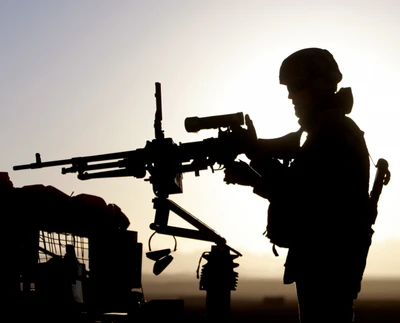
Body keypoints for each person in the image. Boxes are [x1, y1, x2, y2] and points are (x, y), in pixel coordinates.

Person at [224, 48, 371, 323]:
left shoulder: (334, 135)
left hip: (327, 265)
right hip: (324, 264)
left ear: (317, 86)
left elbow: (301, 195)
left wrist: (253, 160)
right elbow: (303, 193)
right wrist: (253, 169)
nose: (290, 96)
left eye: (295, 87)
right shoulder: (324, 132)